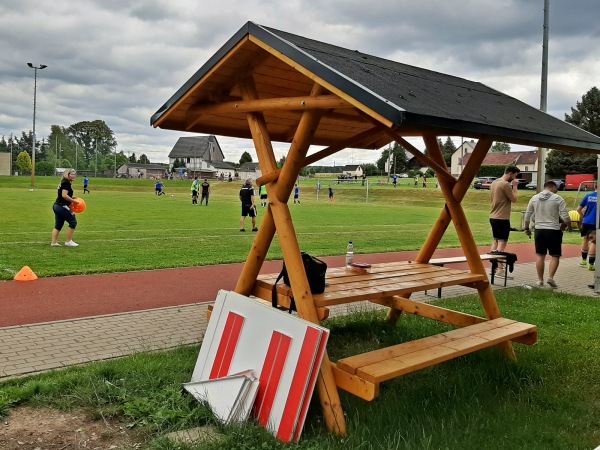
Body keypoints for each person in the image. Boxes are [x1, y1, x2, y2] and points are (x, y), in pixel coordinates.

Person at [523, 180, 571, 288]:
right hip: (553, 230)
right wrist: (569, 226)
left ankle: (540, 280)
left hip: (539, 230)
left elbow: (528, 215)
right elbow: (566, 215)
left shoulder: (534, 198)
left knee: (540, 255)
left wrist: (526, 228)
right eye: (556, 188)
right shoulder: (558, 198)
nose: (557, 190)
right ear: (552, 187)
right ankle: (551, 277)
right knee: (555, 255)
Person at [489, 165, 520, 274]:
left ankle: (494, 267)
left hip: (493, 216)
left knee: (496, 241)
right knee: (502, 242)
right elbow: (514, 199)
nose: (515, 178)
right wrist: (515, 186)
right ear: (510, 174)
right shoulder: (506, 184)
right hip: (502, 217)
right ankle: (500, 269)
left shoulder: (494, 183)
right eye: (515, 175)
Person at [51, 169, 81, 247]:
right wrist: (73, 201)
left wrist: (72, 197)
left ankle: (54, 242)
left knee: (58, 225)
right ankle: (68, 241)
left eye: (74, 174)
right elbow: (64, 195)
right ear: (67, 175)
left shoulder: (65, 182)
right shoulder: (66, 183)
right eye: (72, 174)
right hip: (61, 206)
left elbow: (64, 195)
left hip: (57, 205)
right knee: (73, 222)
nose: (74, 176)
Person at [576, 184, 597, 270]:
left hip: (587, 221)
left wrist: (584, 216)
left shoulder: (588, 196)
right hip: (596, 222)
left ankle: (584, 260)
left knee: (585, 239)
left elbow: (578, 209)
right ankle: (591, 264)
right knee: (595, 242)